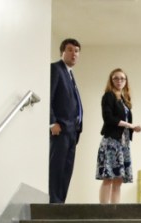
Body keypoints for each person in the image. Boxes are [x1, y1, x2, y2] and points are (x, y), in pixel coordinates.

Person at [97, 68, 141, 204]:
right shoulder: (108, 96)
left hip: (123, 144)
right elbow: (108, 118)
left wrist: (132, 127)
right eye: (116, 78)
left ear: (126, 81)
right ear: (111, 80)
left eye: (122, 78)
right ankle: (104, 211)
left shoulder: (124, 99)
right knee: (109, 177)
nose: (119, 81)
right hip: (111, 142)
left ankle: (115, 211)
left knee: (118, 179)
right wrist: (130, 125)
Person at [50, 38, 83, 204]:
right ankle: (54, 202)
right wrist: (52, 122)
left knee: (66, 170)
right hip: (60, 129)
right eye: (70, 50)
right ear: (62, 52)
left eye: (76, 51)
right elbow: (49, 96)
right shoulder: (55, 69)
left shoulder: (70, 74)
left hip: (72, 132)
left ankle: (60, 202)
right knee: (56, 167)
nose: (74, 53)